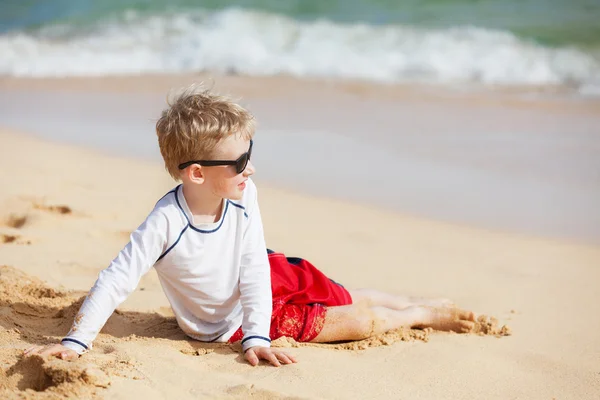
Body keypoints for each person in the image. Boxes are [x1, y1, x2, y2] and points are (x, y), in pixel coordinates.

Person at [25, 86, 476, 367]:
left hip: (260, 274)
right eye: (240, 162)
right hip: (229, 324)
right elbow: (117, 278)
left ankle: (414, 301)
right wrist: (76, 342)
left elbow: (253, 265)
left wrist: (260, 324)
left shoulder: (243, 195)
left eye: (250, 153)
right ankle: (422, 315)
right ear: (196, 172)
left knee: (340, 293)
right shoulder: (166, 223)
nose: (252, 169)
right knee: (361, 320)